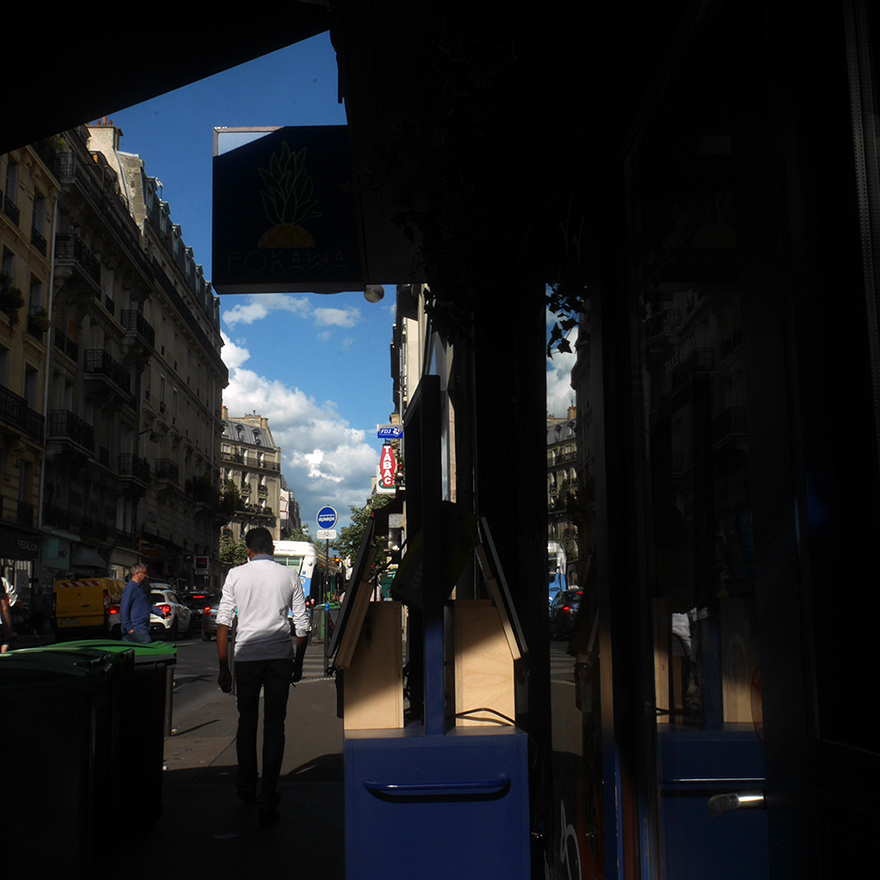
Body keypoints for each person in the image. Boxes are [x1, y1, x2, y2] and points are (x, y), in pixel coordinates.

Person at [216, 527, 309, 826]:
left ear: (248, 550)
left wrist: (223, 667)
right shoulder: (289, 577)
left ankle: (246, 786)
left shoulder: (235, 575)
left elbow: (223, 622)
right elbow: (303, 627)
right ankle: (269, 797)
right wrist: (298, 662)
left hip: (247, 658)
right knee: (274, 726)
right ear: (272, 548)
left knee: (247, 721)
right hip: (280, 658)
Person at [120, 563, 155, 644]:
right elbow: (123, 610)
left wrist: (161, 613)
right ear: (137, 573)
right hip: (137, 628)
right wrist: (129, 629)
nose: (146, 576)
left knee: (130, 653)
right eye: (144, 573)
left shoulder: (139, 588)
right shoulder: (130, 589)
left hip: (140, 628)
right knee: (147, 652)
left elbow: (146, 606)